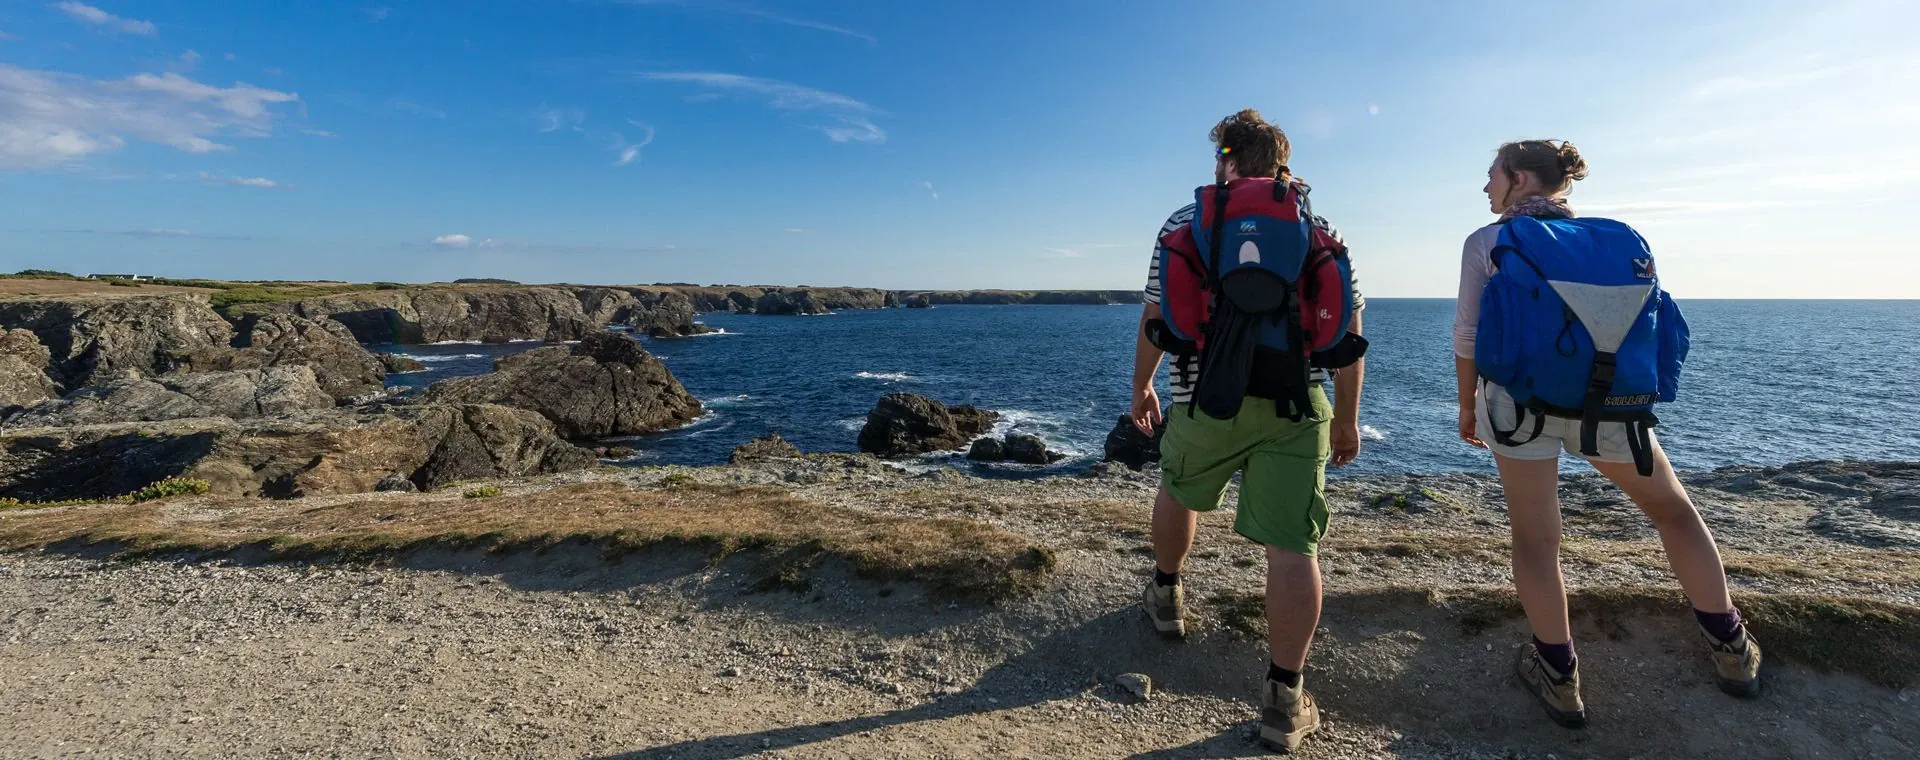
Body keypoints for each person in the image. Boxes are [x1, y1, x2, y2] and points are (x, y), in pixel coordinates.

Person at [1453, 139, 1762, 728]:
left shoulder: (1486, 243)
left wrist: (1467, 405)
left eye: (1491, 175)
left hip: (1520, 409)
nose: (1486, 187)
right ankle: (1731, 648)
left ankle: (1560, 676)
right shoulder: (1616, 241)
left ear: (1519, 179)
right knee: (1673, 512)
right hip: (1613, 408)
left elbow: (1467, 335)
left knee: (1537, 540)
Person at [1130, 108, 1366, 752]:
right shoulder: (1318, 227)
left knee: (1178, 490)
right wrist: (1345, 419)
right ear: (1283, 163)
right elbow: (1346, 333)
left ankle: (1168, 597)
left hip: (1204, 398)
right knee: (1293, 546)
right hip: (1296, 403)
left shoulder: (1186, 223)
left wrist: (1141, 386)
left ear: (1226, 161)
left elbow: (1158, 310)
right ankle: (1283, 698)